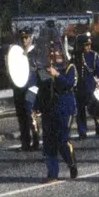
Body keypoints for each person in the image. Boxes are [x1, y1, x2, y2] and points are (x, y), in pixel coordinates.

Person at [35, 45, 79, 181]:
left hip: (64, 107)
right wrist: (36, 106)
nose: (54, 55)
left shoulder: (69, 68)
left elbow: (69, 84)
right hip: (48, 108)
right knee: (48, 142)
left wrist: (57, 74)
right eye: (51, 53)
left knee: (62, 140)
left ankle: (71, 162)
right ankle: (52, 173)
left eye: (57, 52)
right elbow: (41, 90)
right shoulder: (43, 70)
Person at [73, 34, 99, 139]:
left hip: (91, 86)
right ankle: (82, 131)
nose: (88, 47)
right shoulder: (74, 57)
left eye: (89, 44)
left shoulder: (93, 55)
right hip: (79, 88)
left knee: (93, 108)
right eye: (86, 45)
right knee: (80, 111)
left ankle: (98, 122)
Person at [13, 30, 40, 152]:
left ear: (31, 38)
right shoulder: (17, 53)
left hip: (32, 87)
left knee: (29, 112)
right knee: (21, 115)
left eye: (27, 37)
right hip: (19, 88)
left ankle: (36, 140)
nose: (24, 40)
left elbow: (40, 71)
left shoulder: (36, 53)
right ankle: (25, 143)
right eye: (22, 38)